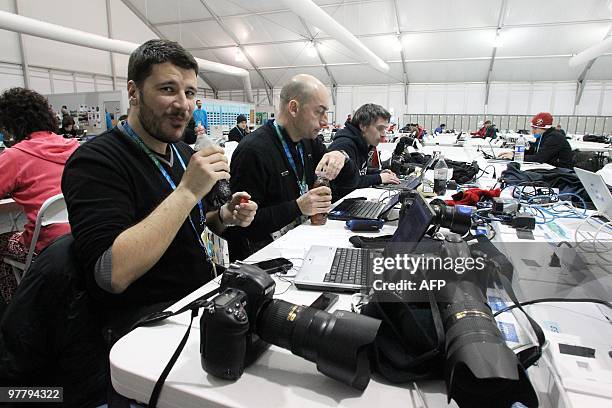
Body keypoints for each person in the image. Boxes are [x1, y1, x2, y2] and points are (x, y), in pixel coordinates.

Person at [62, 39, 258, 334]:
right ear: (133, 93)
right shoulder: (95, 162)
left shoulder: (181, 150)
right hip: (148, 322)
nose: (183, 105)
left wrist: (225, 216)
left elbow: (196, 223)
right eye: (168, 89)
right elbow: (111, 273)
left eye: (190, 92)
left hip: (200, 296)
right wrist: (187, 191)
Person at [228, 74, 347, 260]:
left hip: (299, 242)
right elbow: (244, 225)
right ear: (293, 108)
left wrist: (341, 154)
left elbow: (349, 181)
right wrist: (297, 207)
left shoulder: (309, 141)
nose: (325, 121)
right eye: (319, 112)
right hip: (266, 257)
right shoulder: (252, 151)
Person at [0, 87, 79, 304]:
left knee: (2, 242)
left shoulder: (15, 156)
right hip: (83, 235)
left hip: (48, 247)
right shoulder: (74, 146)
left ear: (10, 124)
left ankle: (17, 307)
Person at [327, 104, 400, 201]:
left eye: (385, 129)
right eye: (380, 128)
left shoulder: (362, 143)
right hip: (337, 206)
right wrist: (380, 178)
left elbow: (358, 171)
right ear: (363, 126)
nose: (384, 134)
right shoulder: (344, 146)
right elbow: (349, 184)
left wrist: (379, 172)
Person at [499, 112, 573, 168]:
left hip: (561, 170)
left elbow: (539, 158)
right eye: (532, 128)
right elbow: (533, 151)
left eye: (535, 128)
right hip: (548, 167)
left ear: (545, 128)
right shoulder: (542, 136)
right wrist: (514, 154)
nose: (533, 131)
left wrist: (515, 157)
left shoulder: (554, 138)